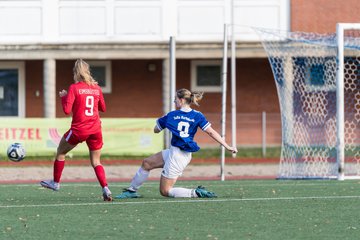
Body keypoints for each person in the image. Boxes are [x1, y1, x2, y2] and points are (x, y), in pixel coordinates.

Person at [115, 88, 238, 199]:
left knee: (165, 191)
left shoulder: (172, 115)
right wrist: (227, 146)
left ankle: (195, 192)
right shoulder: (197, 115)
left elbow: (156, 130)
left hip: (177, 157)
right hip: (177, 152)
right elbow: (211, 132)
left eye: (175, 99)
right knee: (147, 163)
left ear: (181, 100)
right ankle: (131, 191)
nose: (174, 102)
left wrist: (163, 120)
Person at [40, 59, 113, 201]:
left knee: (60, 153)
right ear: (88, 71)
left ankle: (55, 183)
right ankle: (106, 188)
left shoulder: (74, 88)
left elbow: (67, 110)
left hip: (80, 129)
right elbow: (103, 108)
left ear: (76, 72)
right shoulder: (96, 88)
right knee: (96, 162)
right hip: (95, 129)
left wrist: (64, 97)